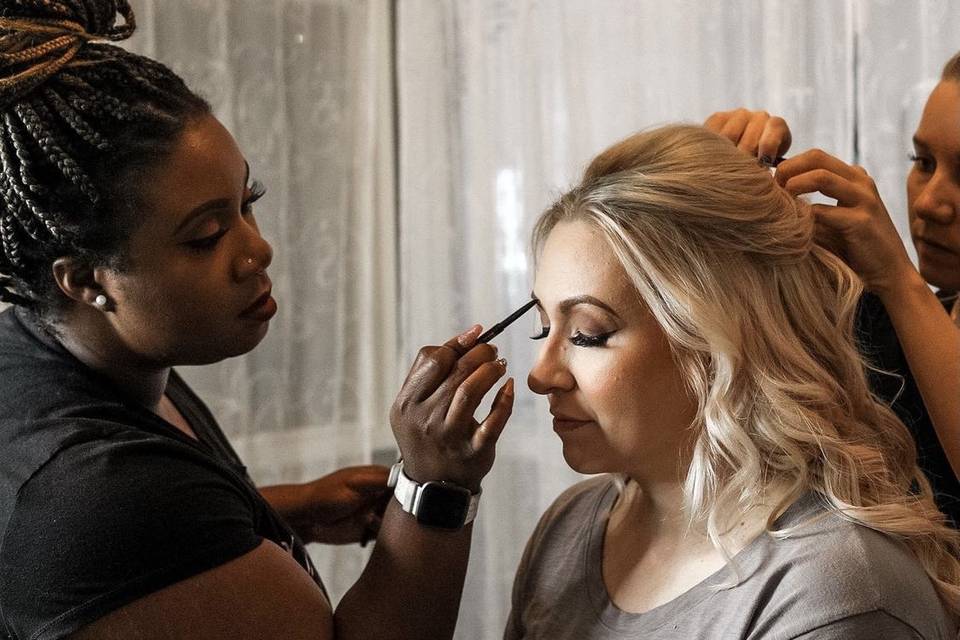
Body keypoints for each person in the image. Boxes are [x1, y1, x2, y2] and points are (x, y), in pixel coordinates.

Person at [0, 2, 514, 639]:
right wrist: (437, 486)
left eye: (248, 203)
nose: (257, 250)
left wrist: (277, 511)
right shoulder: (91, 489)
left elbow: (136, 557)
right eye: (206, 236)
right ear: (85, 281)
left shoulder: (56, 349)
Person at [505, 124, 960, 639]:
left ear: (717, 339)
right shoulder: (566, 530)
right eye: (544, 326)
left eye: (589, 333)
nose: (540, 375)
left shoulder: (838, 596)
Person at [704, 50, 960, 524]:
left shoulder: (904, 298)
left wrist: (899, 281)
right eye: (922, 161)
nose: (929, 204)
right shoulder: (893, 319)